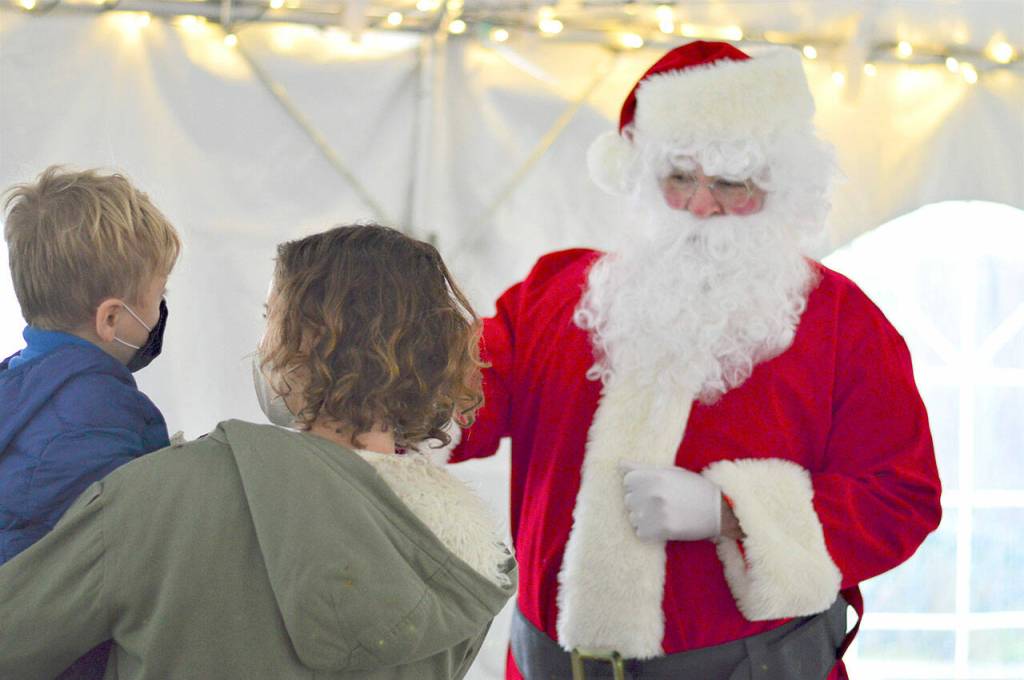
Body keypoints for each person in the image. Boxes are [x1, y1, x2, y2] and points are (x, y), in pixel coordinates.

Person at [450, 41, 942, 679]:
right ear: (642, 179)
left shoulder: (844, 325)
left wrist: (732, 512)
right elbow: (449, 406)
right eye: (679, 178)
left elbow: (900, 500)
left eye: (731, 183)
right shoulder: (553, 297)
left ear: (778, 187)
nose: (702, 205)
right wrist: (346, 369)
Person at [0, 224, 517, 679]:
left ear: (308, 341)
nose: (263, 343)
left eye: (272, 317)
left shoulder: (160, 495)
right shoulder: (468, 566)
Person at [0, 167, 180, 677]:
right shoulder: (111, 413)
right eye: (157, 295)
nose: (161, 310)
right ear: (111, 319)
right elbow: (141, 555)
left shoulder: (12, 380)